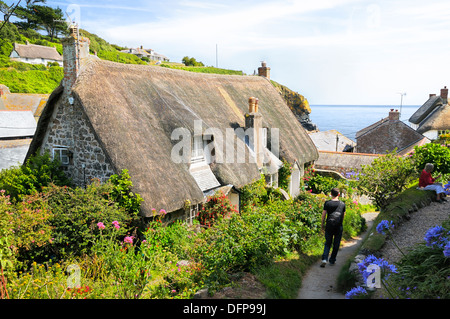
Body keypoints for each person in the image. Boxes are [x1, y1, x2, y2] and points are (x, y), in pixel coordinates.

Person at [320, 188, 346, 267]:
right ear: (338, 194)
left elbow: (323, 215)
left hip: (329, 225)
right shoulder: (342, 204)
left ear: (331, 194)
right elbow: (343, 215)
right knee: (336, 243)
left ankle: (324, 259)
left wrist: (322, 225)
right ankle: (332, 260)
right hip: (338, 225)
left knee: (328, 242)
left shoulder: (327, 203)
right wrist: (340, 223)